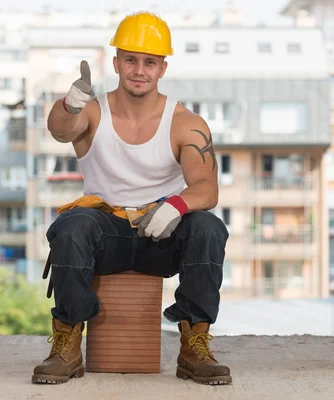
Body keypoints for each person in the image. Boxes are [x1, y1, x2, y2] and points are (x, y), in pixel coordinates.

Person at [32, 11, 231, 386]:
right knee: (70, 227)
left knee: (208, 227)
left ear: (162, 69)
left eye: (149, 63)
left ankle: (195, 345)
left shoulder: (184, 122)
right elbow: (61, 131)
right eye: (131, 60)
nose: (139, 70)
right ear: (117, 63)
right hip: (104, 231)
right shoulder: (93, 111)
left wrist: (175, 206)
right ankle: (67, 343)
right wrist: (70, 105)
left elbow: (206, 187)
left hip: (162, 232)